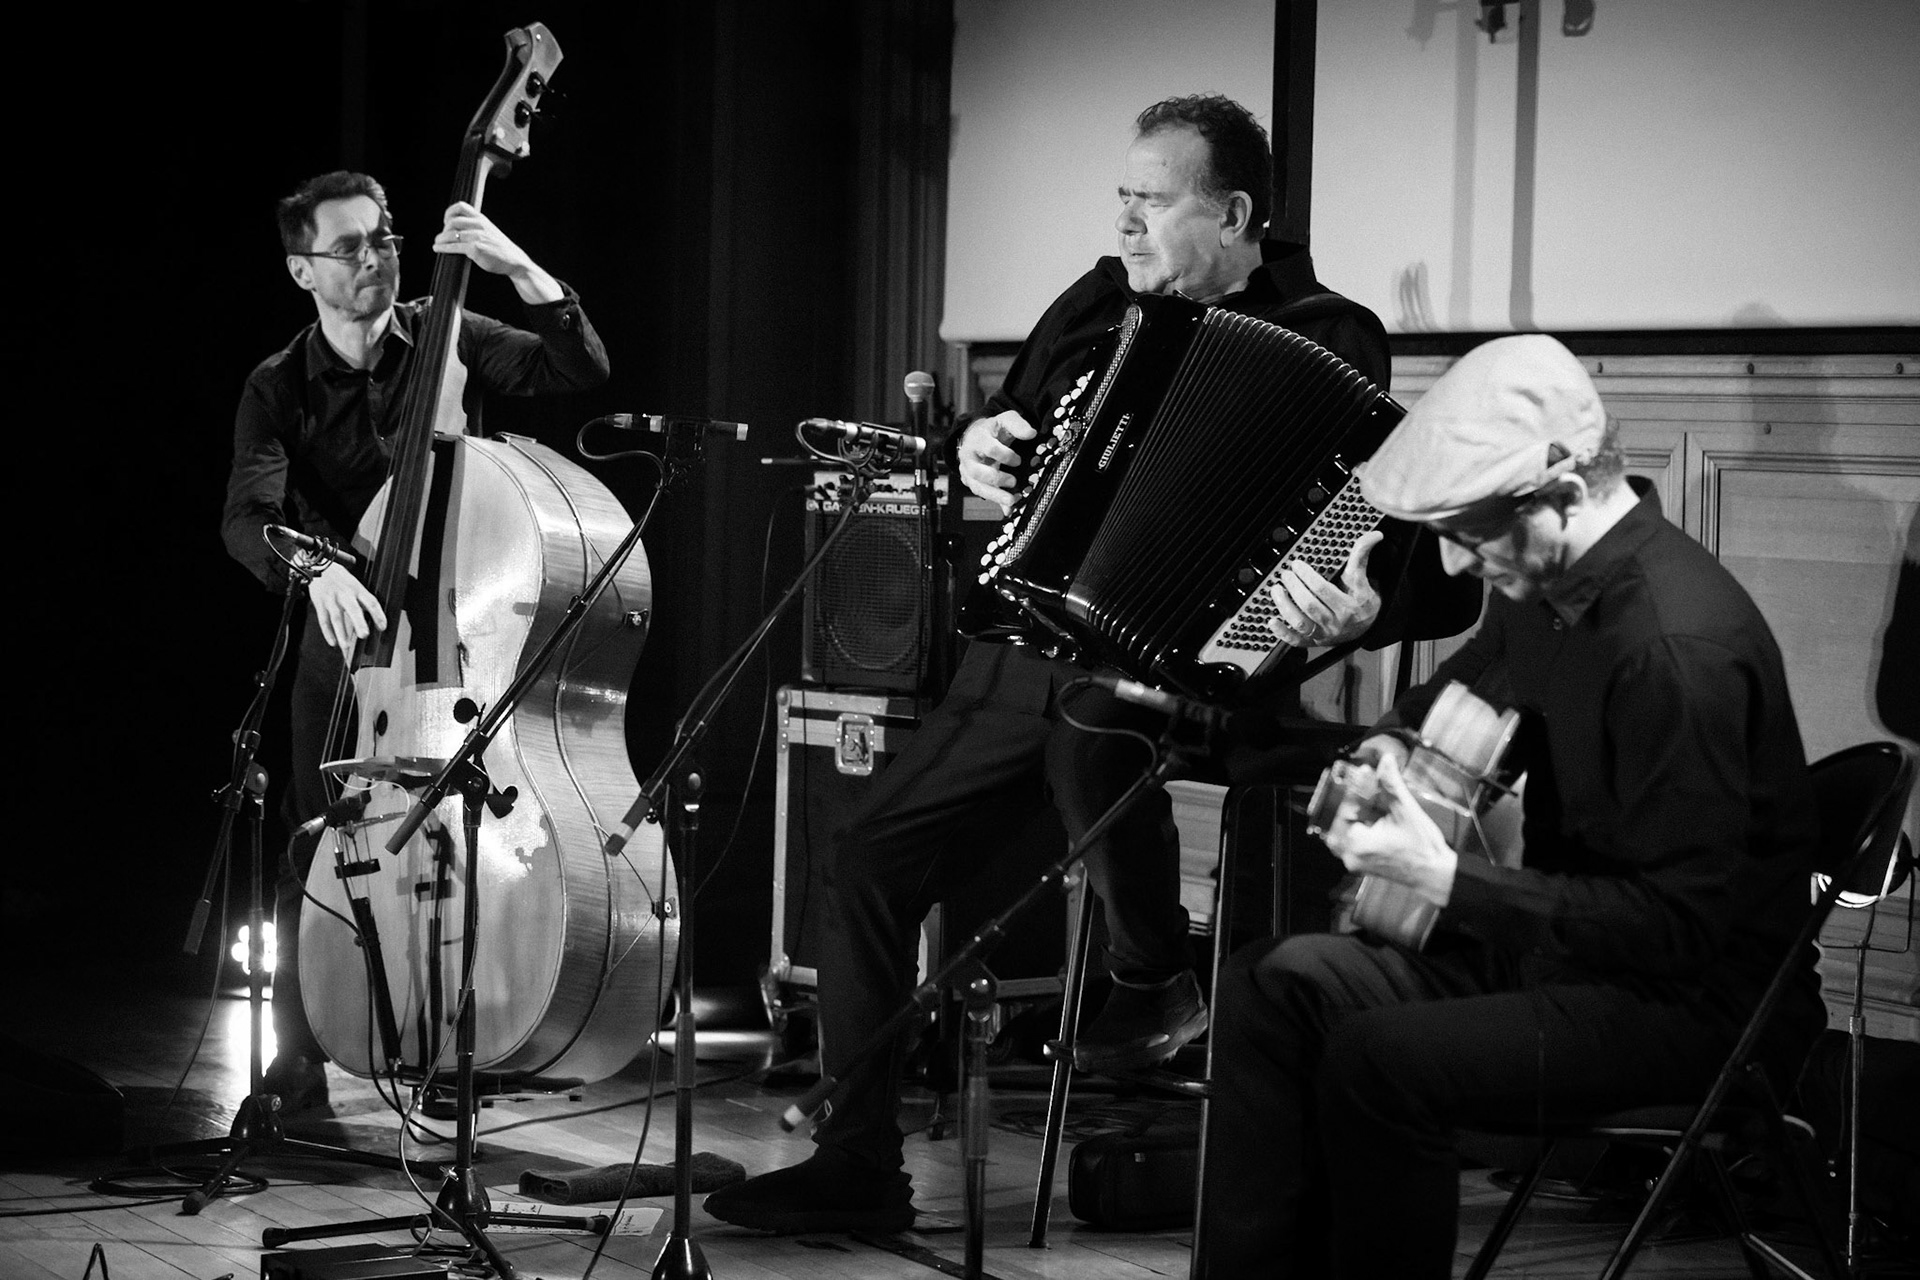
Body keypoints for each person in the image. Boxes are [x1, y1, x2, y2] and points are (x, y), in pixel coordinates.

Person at [706, 94, 1476, 1235]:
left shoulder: (1331, 332)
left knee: (1096, 711)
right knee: (865, 853)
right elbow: (1002, 431)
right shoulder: (1099, 304)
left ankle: (1152, 968)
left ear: (1233, 213)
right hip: (1033, 651)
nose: (1124, 222)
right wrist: (974, 440)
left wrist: (1336, 607)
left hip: (1210, 667)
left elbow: (1376, 532)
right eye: (1120, 197)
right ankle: (859, 1161)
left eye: (1151, 201)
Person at [1196, 334, 1826, 1278]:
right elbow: (1460, 693)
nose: (1450, 568)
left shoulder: (1673, 654)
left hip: (1691, 1007)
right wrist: (1384, 752)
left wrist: (1444, 877)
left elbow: (1681, 930)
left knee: (1379, 1062)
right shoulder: (1548, 582)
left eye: (1466, 534)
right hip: (1570, 956)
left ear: (1564, 496)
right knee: (1270, 984)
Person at [221, 170, 610, 1114]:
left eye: (385, 236)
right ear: (301, 269)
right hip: (344, 640)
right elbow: (247, 517)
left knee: (459, 841)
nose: (376, 258)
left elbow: (581, 369)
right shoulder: (278, 384)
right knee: (318, 843)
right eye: (350, 247)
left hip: (458, 638)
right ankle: (301, 1057)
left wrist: (519, 267)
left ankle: (448, 1045)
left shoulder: (452, 333)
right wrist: (318, 572)